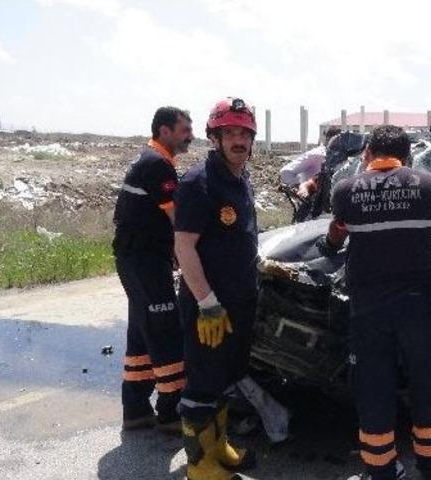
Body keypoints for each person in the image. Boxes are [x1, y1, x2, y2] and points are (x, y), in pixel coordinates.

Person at [322, 125, 431, 480]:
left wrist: (329, 247)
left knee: (374, 388)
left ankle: (381, 469)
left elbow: (336, 233)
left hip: (368, 312)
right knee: (427, 385)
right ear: (408, 156)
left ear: (367, 155)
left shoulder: (345, 191)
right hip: (420, 308)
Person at [174, 97, 259, 480]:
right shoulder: (199, 183)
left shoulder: (241, 179)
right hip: (209, 307)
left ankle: (218, 446)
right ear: (215, 137)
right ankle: (198, 464)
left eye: (244, 133)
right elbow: (184, 247)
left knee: (226, 376)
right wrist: (207, 302)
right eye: (230, 133)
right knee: (203, 382)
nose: (238, 140)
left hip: (239, 302)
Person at [113, 106, 193, 433]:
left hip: (138, 258)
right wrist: (190, 260)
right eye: (183, 129)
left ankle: (135, 410)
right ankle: (172, 413)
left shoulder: (152, 159)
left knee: (142, 333)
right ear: (164, 131)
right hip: (144, 260)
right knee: (165, 330)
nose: (189, 135)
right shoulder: (158, 165)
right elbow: (179, 223)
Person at [280, 125, 343, 198]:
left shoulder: (343, 157)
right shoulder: (316, 155)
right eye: (335, 138)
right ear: (327, 138)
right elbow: (286, 172)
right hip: (312, 202)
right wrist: (302, 186)